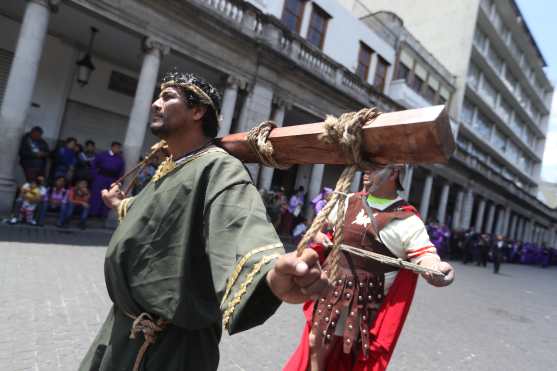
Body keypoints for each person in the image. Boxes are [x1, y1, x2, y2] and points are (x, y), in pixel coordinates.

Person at [79, 72, 328, 371]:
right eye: (158, 97)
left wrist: (271, 276)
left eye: (168, 97)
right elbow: (153, 215)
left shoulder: (219, 167)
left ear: (198, 111)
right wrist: (120, 204)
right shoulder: (173, 166)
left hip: (168, 348)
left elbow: (238, 222)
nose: (156, 104)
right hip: (122, 332)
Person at [285, 166, 455, 371]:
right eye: (367, 166)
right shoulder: (348, 200)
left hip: (366, 299)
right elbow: (320, 226)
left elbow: (425, 254)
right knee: (316, 341)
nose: (367, 171)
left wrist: (436, 268)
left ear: (394, 174)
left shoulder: (408, 220)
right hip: (331, 286)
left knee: (355, 352)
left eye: (376, 168)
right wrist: (319, 236)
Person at [89, 141, 125, 217]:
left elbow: (121, 171)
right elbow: (94, 165)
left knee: (108, 197)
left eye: (119, 148)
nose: (117, 149)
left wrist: (119, 182)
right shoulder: (102, 155)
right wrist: (95, 176)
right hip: (101, 177)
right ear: (112, 147)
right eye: (116, 147)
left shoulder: (120, 159)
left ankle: (103, 214)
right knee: (97, 195)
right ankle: (93, 213)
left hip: (112, 179)